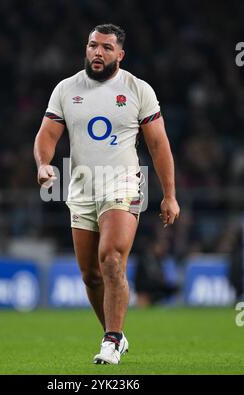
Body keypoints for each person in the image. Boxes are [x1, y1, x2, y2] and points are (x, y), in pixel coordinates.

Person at [34, 24, 180, 365]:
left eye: (106, 48)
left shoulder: (137, 89)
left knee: (112, 258)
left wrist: (170, 195)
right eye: (92, 46)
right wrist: (43, 164)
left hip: (123, 183)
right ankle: (114, 334)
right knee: (90, 275)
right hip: (81, 186)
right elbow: (47, 135)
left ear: (120, 54)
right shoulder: (66, 89)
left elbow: (159, 145)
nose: (97, 53)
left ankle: (111, 340)